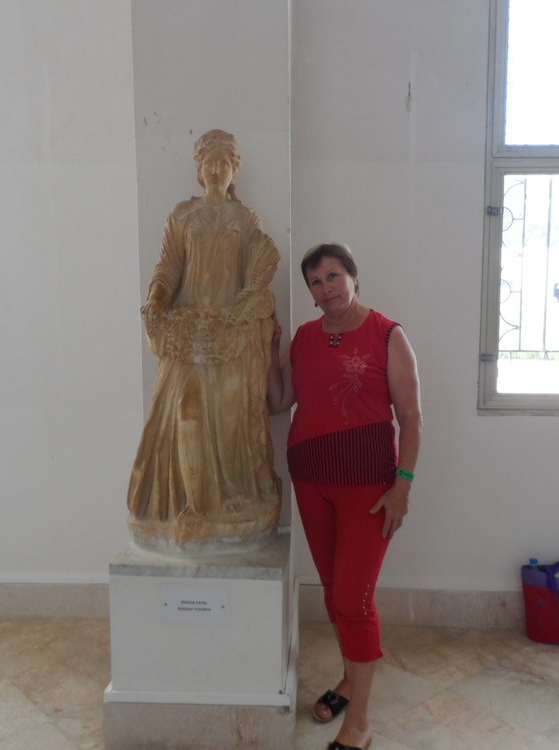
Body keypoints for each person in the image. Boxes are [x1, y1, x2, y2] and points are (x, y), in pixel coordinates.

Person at [268, 242, 422, 750]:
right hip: (311, 481)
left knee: (354, 600)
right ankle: (349, 682)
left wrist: (402, 486)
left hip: (369, 490)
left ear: (354, 277)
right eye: (315, 281)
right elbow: (280, 400)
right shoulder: (305, 338)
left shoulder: (387, 334)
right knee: (335, 594)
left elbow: (412, 419)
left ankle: (359, 723)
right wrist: (268, 350)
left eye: (333, 276)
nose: (325, 288)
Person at [128, 129, 281, 551]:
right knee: (186, 412)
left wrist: (249, 310)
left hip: (229, 337)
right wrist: (157, 298)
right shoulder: (182, 216)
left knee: (231, 427)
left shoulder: (245, 219)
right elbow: (168, 267)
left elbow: (256, 276)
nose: (215, 170)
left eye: (223, 163)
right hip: (187, 334)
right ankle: (191, 505)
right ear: (199, 169)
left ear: (235, 169)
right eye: (208, 163)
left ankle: (216, 504)